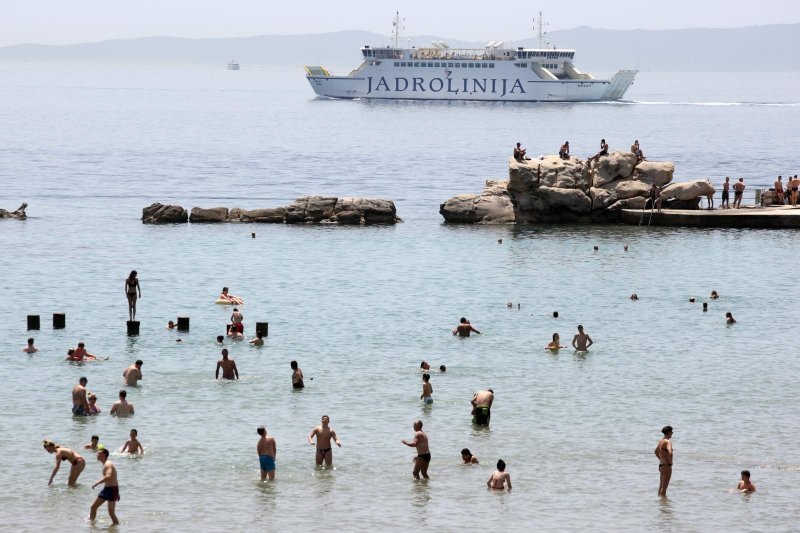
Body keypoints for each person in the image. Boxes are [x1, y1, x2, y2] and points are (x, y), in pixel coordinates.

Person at [89, 448, 120, 525]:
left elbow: (108, 476)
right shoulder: (105, 464)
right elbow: (115, 478)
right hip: (110, 489)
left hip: (111, 490)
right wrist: (117, 492)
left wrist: (97, 483)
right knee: (95, 508)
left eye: (99, 453)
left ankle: (91, 524)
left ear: (104, 455)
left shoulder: (108, 464)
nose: (97, 455)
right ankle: (91, 524)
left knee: (109, 512)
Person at [654, 425, 674, 497]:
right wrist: (670, 461)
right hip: (666, 466)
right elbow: (670, 452)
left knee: (661, 486)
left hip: (661, 465)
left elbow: (656, 452)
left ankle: (660, 501)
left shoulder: (661, 441)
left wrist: (661, 459)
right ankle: (663, 505)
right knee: (664, 487)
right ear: (668, 432)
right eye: (671, 431)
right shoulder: (668, 441)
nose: (672, 433)